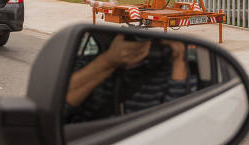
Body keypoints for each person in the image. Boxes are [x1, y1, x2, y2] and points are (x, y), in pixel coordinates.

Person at [65, 33, 197, 122]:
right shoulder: (88, 63)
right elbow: (59, 106)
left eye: (148, 40)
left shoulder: (166, 72)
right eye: (131, 39)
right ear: (115, 41)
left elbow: (179, 122)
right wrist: (108, 61)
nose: (137, 45)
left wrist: (180, 59)